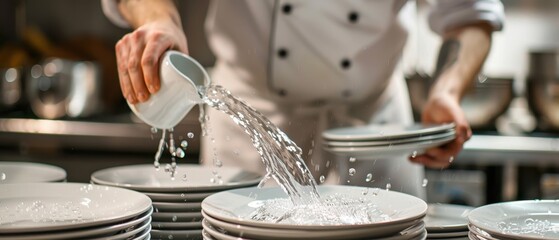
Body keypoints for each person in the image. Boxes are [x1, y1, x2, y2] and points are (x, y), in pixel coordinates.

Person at [102, 0, 504, 199]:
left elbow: (470, 15)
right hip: (249, 123)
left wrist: (447, 91)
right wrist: (158, 20)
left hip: (374, 128)